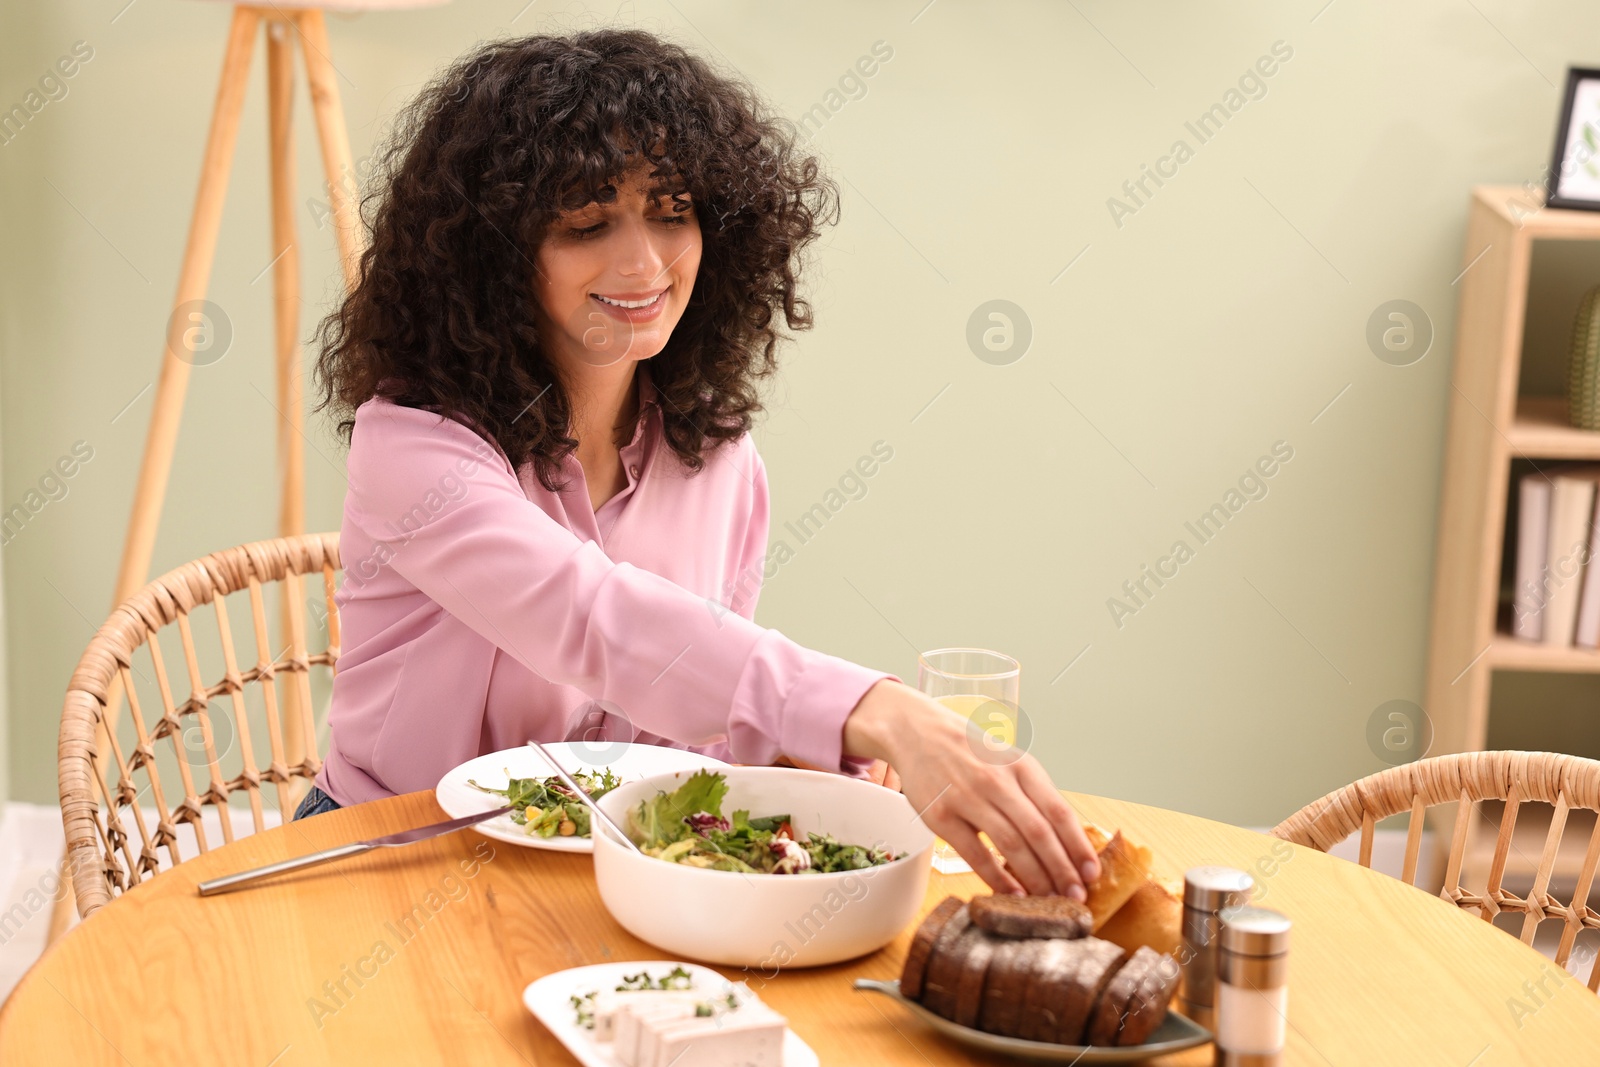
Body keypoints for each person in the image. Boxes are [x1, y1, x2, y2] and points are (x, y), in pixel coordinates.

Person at [298, 27, 1100, 900]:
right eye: (586, 222)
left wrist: (802, 755)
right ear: (495, 254)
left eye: (673, 211)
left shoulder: (716, 454)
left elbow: (687, 721)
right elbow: (592, 619)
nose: (644, 262)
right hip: (380, 867)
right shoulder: (413, 443)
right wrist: (876, 708)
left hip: (598, 882)